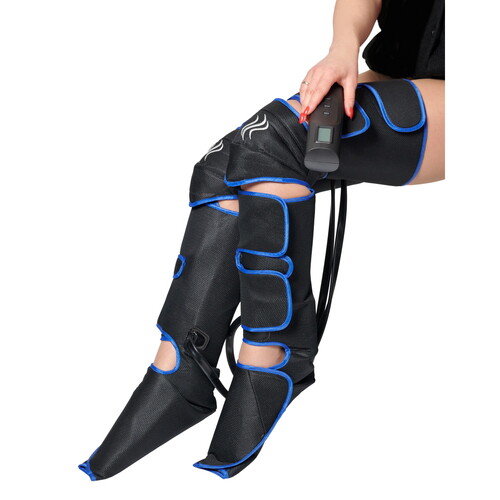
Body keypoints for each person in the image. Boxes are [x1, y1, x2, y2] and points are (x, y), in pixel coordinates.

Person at [79, 0, 444, 481]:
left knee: (274, 147)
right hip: (399, 73)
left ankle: (274, 355)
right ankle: (180, 366)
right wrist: (343, 48)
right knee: (225, 165)